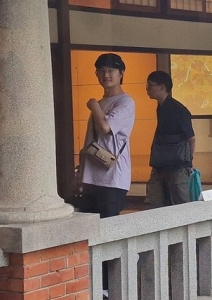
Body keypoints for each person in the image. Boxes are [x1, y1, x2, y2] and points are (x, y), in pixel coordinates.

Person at [78, 52, 135, 218]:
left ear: (121, 73)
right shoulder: (102, 102)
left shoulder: (125, 102)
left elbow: (105, 127)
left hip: (113, 178)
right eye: (101, 71)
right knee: (90, 227)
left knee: (108, 227)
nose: (106, 75)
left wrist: (93, 105)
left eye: (111, 70)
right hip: (91, 176)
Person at [145, 71, 195, 206]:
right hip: (161, 163)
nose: (147, 89)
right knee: (155, 202)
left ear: (162, 87)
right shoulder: (161, 107)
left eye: (150, 85)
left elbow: (191, 138)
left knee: (180, 204)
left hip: (177, 165)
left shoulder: (179, 110)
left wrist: (188, 162)